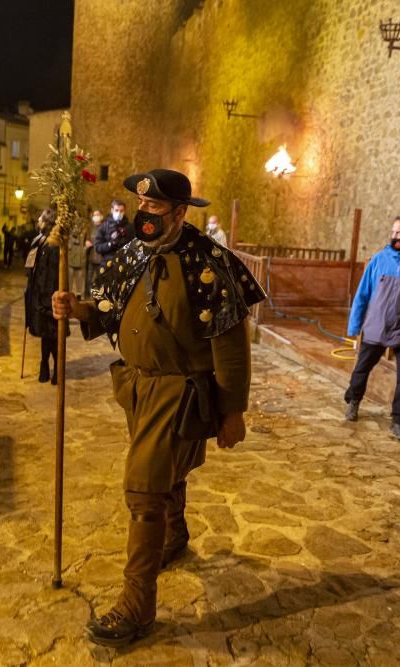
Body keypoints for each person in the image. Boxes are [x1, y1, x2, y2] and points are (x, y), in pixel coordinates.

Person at [52, 169, 266, 647]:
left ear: (179, 213)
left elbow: (230, 343)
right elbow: (108, 305)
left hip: (178, 391)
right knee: (168, 470)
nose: (143, 214)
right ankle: (174, 535)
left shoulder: (209, 263)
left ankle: (137, 602)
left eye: (154, 208)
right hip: (136, 386)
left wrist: (233, 411)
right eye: (141, 206)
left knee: (144, 486)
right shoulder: (133, 252)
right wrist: (77, 308)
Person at [344, 214, 400, 441]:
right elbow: (362, 294)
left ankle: (399, 421)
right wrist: (355, 325)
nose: (395, 236)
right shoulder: (379, 260)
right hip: (375, 327)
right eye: (393, 232)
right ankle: (353, 401)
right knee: (361, 369)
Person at [26, 208, 66, 384]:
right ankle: (44, 367)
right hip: (41, 296)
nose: (38, 220)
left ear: (47, 221)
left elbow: (50, 275)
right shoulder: (41, 241)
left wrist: (46, 302)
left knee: (53, 335)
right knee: (46, 335)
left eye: (41, 217)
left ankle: (55, 370)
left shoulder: (53, 244)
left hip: (49, 298)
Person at [94, 199, 133, 263]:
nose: (119, 213)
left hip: (124, 262)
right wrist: (110, 244)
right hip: (108, 263)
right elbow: (97, 247)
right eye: (116, 210)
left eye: (121, 211)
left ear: (124, 211)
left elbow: (133, 246)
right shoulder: (104, 226)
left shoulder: (129, 227)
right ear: (112, 210)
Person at [84, 209, 104, 289]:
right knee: (89, 279)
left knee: (100, 279)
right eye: (94, 215)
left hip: (100, 258)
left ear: (101, 217)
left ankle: (99, 296)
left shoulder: (104, 228)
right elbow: (86, 240)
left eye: (97, 215)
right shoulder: (90, 229)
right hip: (91, 257)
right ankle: (89, 295)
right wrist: (86, 243)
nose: (96, 217)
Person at [67, 220, 87, 296]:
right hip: (71, 260)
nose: (77, 227)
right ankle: (68, 295)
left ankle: (79, 295)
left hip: (80, 261)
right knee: (69, 282)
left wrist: (84, 250)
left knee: (79, 283)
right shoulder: (69, 235)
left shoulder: (83, 233)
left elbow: (86, 243)